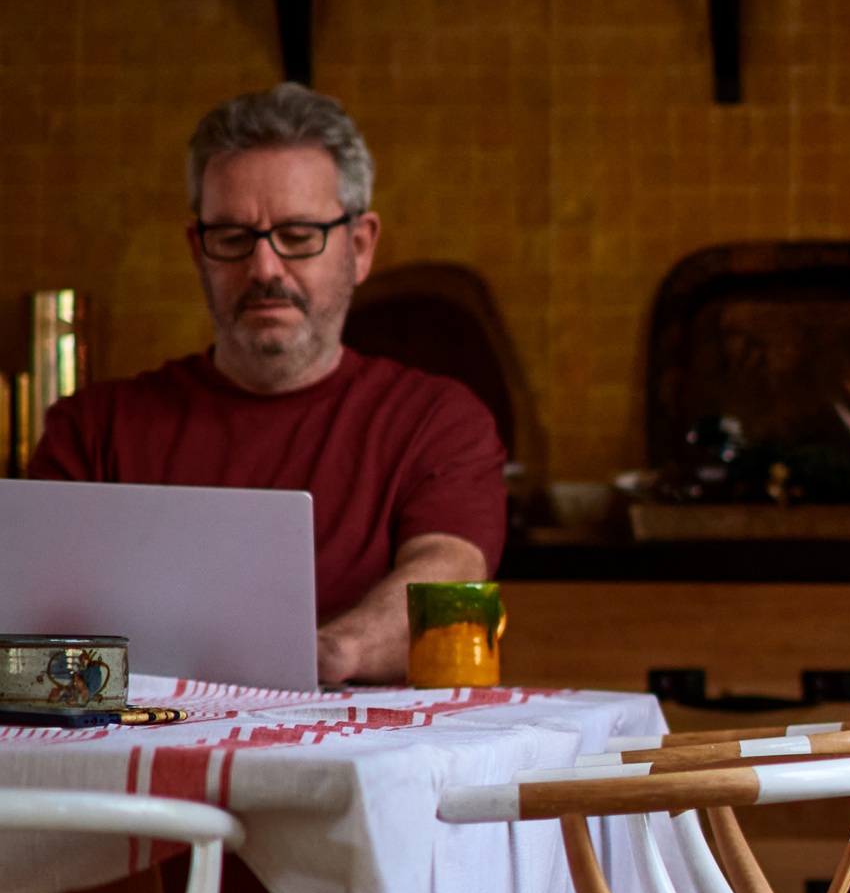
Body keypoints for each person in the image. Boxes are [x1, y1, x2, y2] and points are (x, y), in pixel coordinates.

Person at [32, 83, 506, 685]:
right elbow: (38, 627)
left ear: (359, 248)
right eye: (231, 238)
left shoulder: (438, 422)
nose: (263, 268)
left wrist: (332, 653)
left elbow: (447, 571)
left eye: (299, 235)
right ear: (197, 252)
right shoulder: (92, 430)